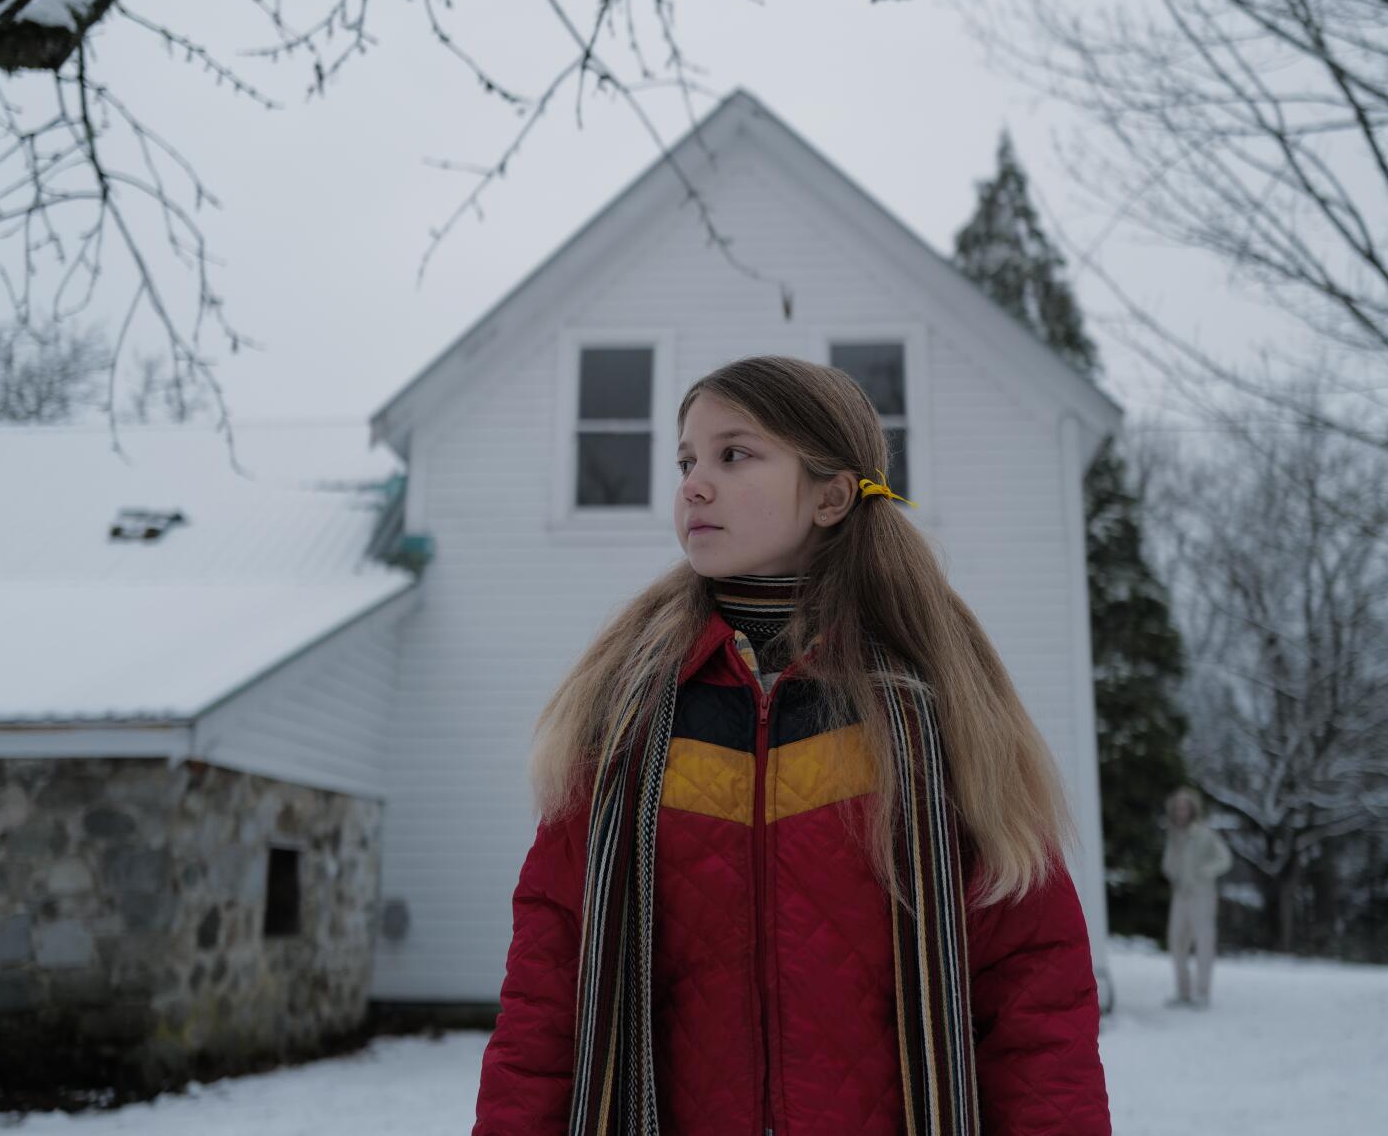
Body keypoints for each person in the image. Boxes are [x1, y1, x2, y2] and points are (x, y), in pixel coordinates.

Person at [472, 355, 1112, 1135]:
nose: (693, 483)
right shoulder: (627, 715)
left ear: (833, 494)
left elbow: (1034, 989)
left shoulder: (935, 709)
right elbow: (547, 990)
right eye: (686, 461)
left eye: (733, 454)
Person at [1161, 785, 1232, 1009]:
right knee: (1176, 941)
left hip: (1202, 894)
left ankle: (1202, 993)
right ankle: (1183, 992)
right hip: (1180, 894)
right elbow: (1168, 864)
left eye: (1185, 807)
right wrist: (1172, 872)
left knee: (1203, 942)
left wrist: (1204, 873)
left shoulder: (1204, 833)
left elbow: (1224, 859)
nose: (1181, 811)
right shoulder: (1173, 835)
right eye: (1178, 807)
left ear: (1192, 809)